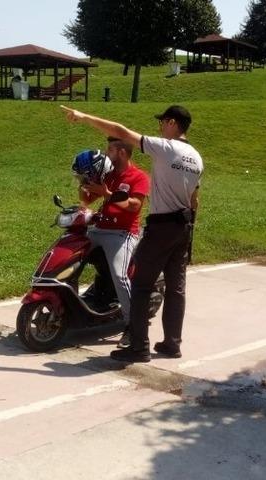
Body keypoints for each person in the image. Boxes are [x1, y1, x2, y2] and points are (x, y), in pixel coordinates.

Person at [61, 104, 203, 363]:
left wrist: (83, 117)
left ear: (172, 123)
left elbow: (120, 131)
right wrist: (189, 229)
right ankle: (172, 344)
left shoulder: (166, 147)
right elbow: (195, 200)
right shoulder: (196, 158)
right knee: (176, 288)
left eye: (163, 122)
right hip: (183, 227)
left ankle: (138, 346)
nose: (160, 127)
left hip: (161, 225)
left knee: (140, 284)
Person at [76, 138, 150, 347]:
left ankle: (132, 325)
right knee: (69, 251)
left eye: (111, 149)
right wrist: (84, 183)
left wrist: (107, 194)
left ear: (123, 153)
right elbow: (87, 200)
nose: (107, 153)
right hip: (99, 229)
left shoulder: (139, 177)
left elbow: (134, 206)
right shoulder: (107, 174)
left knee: (120, 275)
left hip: (122, 234)